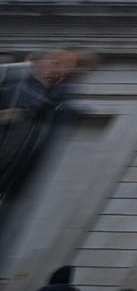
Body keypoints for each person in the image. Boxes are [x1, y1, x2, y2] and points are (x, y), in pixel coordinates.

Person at [0, 49, 96, 207]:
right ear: (38, 61)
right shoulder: (11, 76)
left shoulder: (57, 97)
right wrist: (5, 115)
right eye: (56, 63)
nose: (60, 70)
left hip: (13, 172)